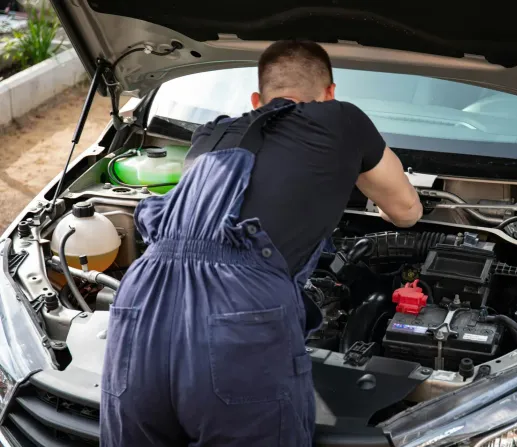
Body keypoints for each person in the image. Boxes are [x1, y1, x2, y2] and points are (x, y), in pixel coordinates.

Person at [100, 39, 422, 446]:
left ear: (256, 100)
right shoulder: (343, 119)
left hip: (140, 303)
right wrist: (382, 207)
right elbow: (408, 210)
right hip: (237, 314)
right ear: (330, 94)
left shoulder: (210, 135)